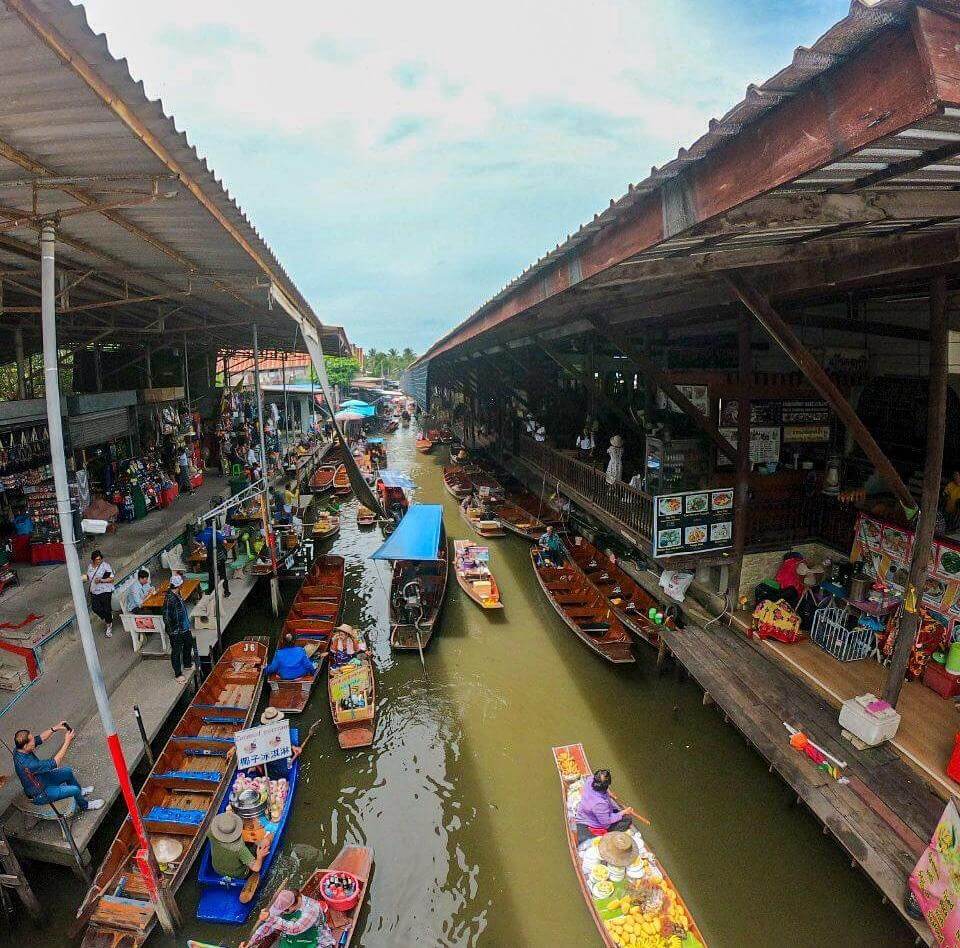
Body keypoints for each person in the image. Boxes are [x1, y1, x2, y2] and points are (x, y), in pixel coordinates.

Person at [13, 723, 104, 812]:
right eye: (32, 740)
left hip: (43, 778)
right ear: (25, 746)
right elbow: (54, 763)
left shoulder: (18, 749)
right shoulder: (29, 764)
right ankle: (85, 805)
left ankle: (80, 792)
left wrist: (55, 728)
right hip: (41, 793)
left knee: (67, 771)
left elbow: (40, 738)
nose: (34, 741)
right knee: (74, 790)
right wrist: (67, 741)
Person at [241, 887, 334, 948]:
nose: (281, 913)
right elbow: (268, 925)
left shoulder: (312, 909)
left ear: (293, 905)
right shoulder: (283, 902)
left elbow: (295, 929)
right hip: (294, 941)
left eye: (284, 911)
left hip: (316, 941)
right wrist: (250, 942)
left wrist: (270, 918)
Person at [574, 768, 640, 845]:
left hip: (586, 813)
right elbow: (606, 823)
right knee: (627, 820)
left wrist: (609, 793)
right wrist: (624, 812)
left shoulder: (590, 780)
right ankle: (611, 835)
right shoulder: (600, 804)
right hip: (592, 822)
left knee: (618, 812)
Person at [207, 811, 272, 881]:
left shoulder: (211, 832)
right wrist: (259, 856)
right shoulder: (239, 848)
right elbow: (256, 868)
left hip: (217, 869)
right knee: (261, 843)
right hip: (239, 874)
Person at [163, 574, 194, 683]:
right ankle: (178, 674)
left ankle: (187, 663)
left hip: (184, 627)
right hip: (176, 630)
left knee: (188, 643)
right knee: (176, 651)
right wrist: (173, 632)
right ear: (178, 585)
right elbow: (166, 618)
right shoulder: (169, 599)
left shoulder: (177, 594)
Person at [258, 707, 303, 780]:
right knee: (282, 772)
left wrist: (292, 747)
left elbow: (282, 739)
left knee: (284, 769)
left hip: (278, 755)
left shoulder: (280, 729)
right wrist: (257, 765)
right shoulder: (260, 734)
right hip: (270, 762)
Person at [196, 523, 232, 599]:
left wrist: (201, 545)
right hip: (220, 557)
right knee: (223, 575)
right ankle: (226, 592)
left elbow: (196, 540)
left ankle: (211, 592)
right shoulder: (215, 532)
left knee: (211, 575)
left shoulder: (202, 533)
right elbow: (225, 542)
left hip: (210, 557)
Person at [86, 550, 115, 638]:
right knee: (95, 608)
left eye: (100, 559)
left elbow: (111, 579)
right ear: (93, 560)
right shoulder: (90, 567)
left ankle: (109, 626)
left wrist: (101, 580)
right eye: (97, 559)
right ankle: (108, 617)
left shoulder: (105, 566)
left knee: (106, 609)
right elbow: (89, 577)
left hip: (105, 590)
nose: (98, 561)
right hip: (95, 591)